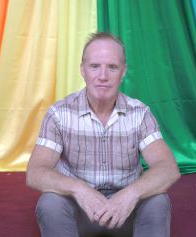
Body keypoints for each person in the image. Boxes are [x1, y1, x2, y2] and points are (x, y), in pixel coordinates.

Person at [26, 32, 180, 237]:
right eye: (94, 66)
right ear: (82, 70)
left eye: (112, 67)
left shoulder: (140, 113)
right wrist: (78, 189)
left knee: (157, 201)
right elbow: (35, 172)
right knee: (50, 203)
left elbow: (168, 168)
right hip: (81, 212)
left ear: (123, 71)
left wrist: (130, 195)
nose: (103, 76)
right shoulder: (59, 114)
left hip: (125, 212)